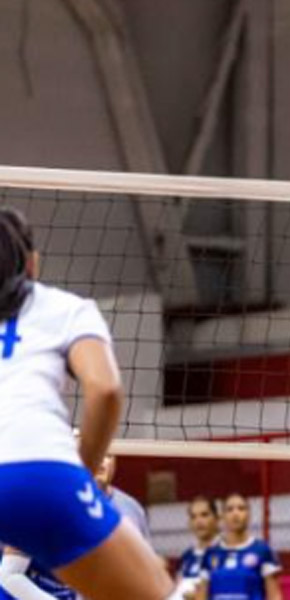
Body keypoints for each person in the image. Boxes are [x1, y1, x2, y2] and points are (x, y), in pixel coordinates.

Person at [0, 206, 175, 599]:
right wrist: (84, 470)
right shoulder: (62, 309)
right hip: (38, 471)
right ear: (32, 262)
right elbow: (105, 390)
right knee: (160, 593)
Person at [195, 493, 282, 600]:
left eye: (241, 508)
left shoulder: (263, 551)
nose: (235, 513)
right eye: (229, 509)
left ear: (249, 515)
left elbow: (274, 596)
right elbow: (201, 596)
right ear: (222, 516)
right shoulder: (211, 554)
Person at [94, 454, 152, 541]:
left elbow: (144, 552)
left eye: (108, 455)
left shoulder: (132, 508)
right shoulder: (69, 506)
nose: (101, 463)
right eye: (98, 453)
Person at [174, 496, 221, 600]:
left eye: (204, 515)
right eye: (193, 517)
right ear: (189, 523)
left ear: (217, 519)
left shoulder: (226, 552)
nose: (199, 521)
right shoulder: (186, 557)